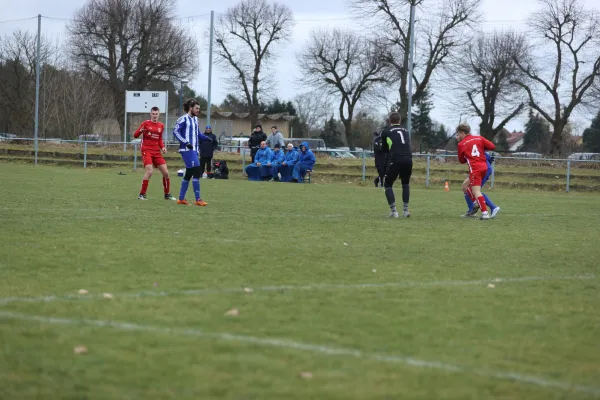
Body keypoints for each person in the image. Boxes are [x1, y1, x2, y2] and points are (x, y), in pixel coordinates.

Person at [172, 99, 213, 206]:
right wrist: (185, 142)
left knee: (189, 173)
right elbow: (175, 131)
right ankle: (198, 199)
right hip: (187, 149)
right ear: (191, 108)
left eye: (199, 109)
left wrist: (206, 138)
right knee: (197, 171)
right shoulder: (183, 119)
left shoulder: (195, 119)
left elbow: (197, 133)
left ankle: (181, 199)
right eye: (196, 108)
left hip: (194, 150)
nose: (198, 110)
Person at [133, 107, 176, 200]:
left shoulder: (161, 125)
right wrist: (140, 131)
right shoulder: (145, 123)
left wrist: (163, 147)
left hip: (156, 152)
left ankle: (167, 194)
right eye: (153, 114)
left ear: (158, 114)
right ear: (150, 114)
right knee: (149, 172)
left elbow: (159, 139)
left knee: (166, 173)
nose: (155, 115)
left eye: (156, 114)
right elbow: (135, 135)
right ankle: (142, 194)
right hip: (146, 151)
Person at [456, 123, 496, 220]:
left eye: (458, 134)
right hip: (484, 167)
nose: (457, 136)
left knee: (476, 191)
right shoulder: (479, 138)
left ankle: (485, 212)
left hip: (475, 169)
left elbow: (461, 161)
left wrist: (468, 156)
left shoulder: (461, 144)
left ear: (462, 133)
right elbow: (492, 146)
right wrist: (481, 148)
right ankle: (476, 207)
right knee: (469, 188)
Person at [380, 112, 412, 218]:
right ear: (400, 121)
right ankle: (406, 210)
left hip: (396, 159)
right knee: (405, 183)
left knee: (388, 184)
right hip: (408, 159)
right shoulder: (406, 131)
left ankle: (394, 212)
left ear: (389, 121)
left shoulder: (386, 131)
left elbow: (384, 149)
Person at [462, 151, 501, 218]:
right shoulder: (470, 145)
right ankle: (472, 210)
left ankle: (493, 207)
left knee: (474, 190)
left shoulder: (471, 144)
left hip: (482, 169)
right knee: (465, 186)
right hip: (477, 169)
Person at [373, 118, 390, 187]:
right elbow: (378, 143)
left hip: (387, 154)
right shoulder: (384, 131)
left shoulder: (390, 130)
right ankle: (382, 184)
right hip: (381, 155)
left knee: (387, 170)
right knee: (382, 170)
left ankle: (377, 180)